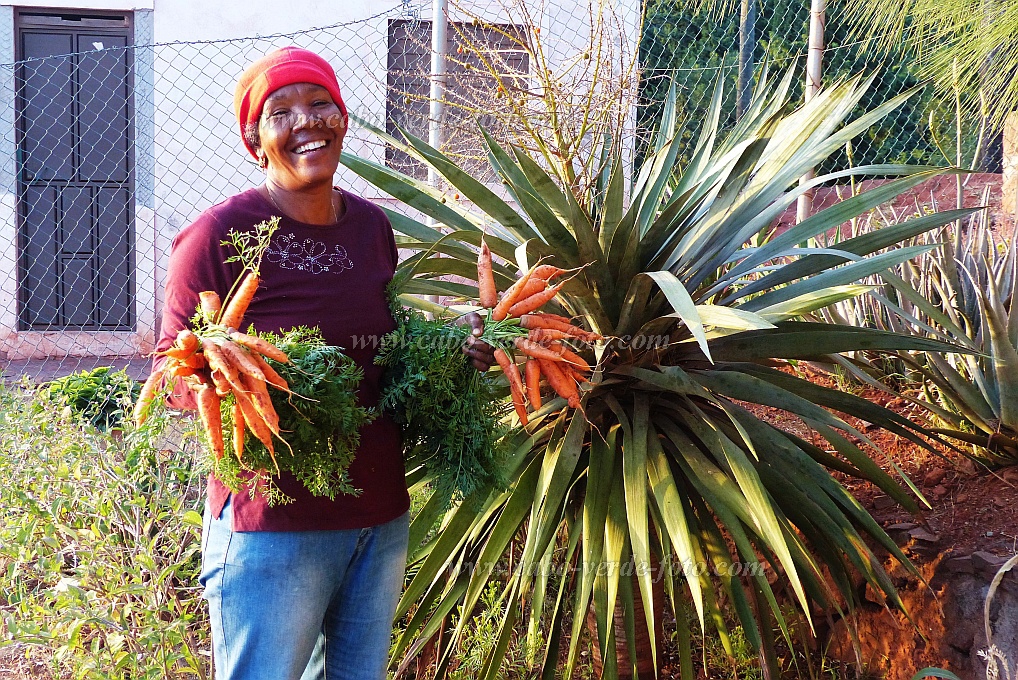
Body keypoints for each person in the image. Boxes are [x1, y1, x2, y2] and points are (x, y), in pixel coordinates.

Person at [155, 46, 496, 680]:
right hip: (274, 519)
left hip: (379, 513)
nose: (306, 120)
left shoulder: (371, 227)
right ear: (256, 141)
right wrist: (221, 367)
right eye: (280, 112)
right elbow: (174, 373)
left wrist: (454, 348)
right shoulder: (217, 235)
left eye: (321, 104)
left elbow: (387, 349)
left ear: (341, 119)